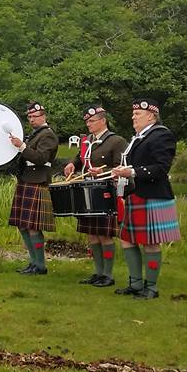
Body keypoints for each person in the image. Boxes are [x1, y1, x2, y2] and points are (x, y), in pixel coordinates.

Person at [110, 98, 180, 299]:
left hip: (152, 195)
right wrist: (122, 173)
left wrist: (130, 172)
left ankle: (151, 287)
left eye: (137, 114)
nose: (133, 117)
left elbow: (161, 168)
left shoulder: (161, 135)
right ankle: (135, 284)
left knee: (150, 243)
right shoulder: (138, 137)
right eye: (133, 113)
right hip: (135, 195)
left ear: (151, 116)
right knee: (127, 240)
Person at [63, 104, 128, 287]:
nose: (88, 124)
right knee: (91, 234)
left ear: (103, 121)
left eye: (92, 121)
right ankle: (97, 272)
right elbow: (79, 158)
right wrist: (71, 165)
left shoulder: (116, 141)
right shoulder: (86, 141)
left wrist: (102, 170)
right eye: (87, 121)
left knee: (104, 235)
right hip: (86, 190)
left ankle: (108, 274)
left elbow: (121, 166)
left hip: (104, 191)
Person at [7, 101, 59, 275]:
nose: (31, 120)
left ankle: (40, 265)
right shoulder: (33, 135)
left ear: (43, 116)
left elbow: (40, 157)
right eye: (29, 117)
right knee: (23, 225)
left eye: (34, 116)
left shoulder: (48, 135)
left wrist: (21, 146)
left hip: (37, 181)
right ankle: (32, 262)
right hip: (26, 180)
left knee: (33, 226)